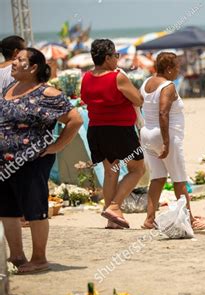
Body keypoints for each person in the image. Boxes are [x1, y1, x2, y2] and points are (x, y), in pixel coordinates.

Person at [0, 48, 83, 273]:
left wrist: (57, 146)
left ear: (34, 67)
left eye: (20, 60)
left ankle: (39, 258)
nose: (13, 63)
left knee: (35, 208)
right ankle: (17, 256)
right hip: (4, 162)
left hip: (31, 161)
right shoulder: (9, 88)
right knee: (7, 209)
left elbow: (75, 120)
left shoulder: (47, 93)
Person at [81, 39, 145, 229]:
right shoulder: (117, 77)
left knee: (111, 173)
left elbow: (85, 99)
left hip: (96, 130)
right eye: (116, 55)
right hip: (119, 130)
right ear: (107, 57)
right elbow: (138, 99)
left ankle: (111, 219)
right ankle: (115, 206)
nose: (117, 59)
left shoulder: (86, 77)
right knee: (137, 169)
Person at [140, 52, 193, 229]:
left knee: (157, 178)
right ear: (169, 69)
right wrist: (167, 142)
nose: (178, 71)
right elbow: (163, 113)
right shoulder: (168, 86)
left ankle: (149, 219)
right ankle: (188, 218)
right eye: (177, 67)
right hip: (164, 135)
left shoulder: (147, 82)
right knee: (179, 179)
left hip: (146, 133)